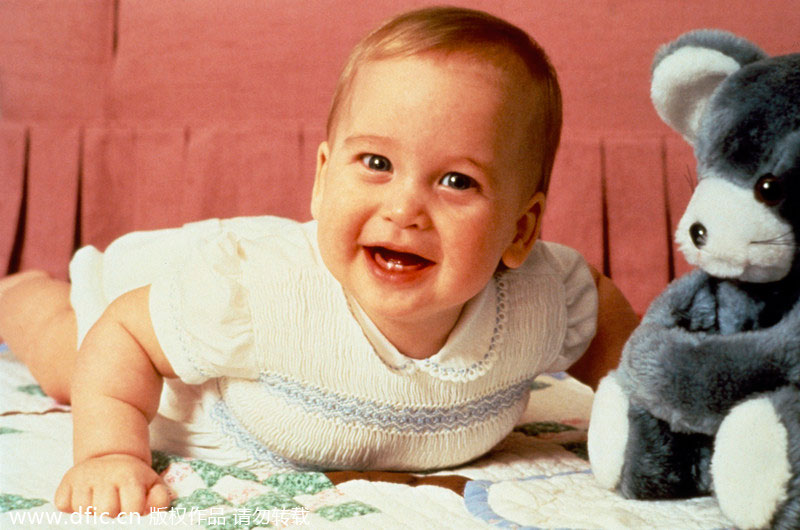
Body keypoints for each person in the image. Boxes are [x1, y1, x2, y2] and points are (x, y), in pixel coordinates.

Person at [0, 6, 638, 516]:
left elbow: (603, 312)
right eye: (377, 164)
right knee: (70, 355)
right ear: (324, 178)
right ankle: (19, 293)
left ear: (520, 231)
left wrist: (650, 404)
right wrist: (110, 453)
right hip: (167, 350)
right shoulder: (258, 293)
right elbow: (127, 330)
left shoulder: (538, 299)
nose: (404, 209)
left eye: (456, 182)